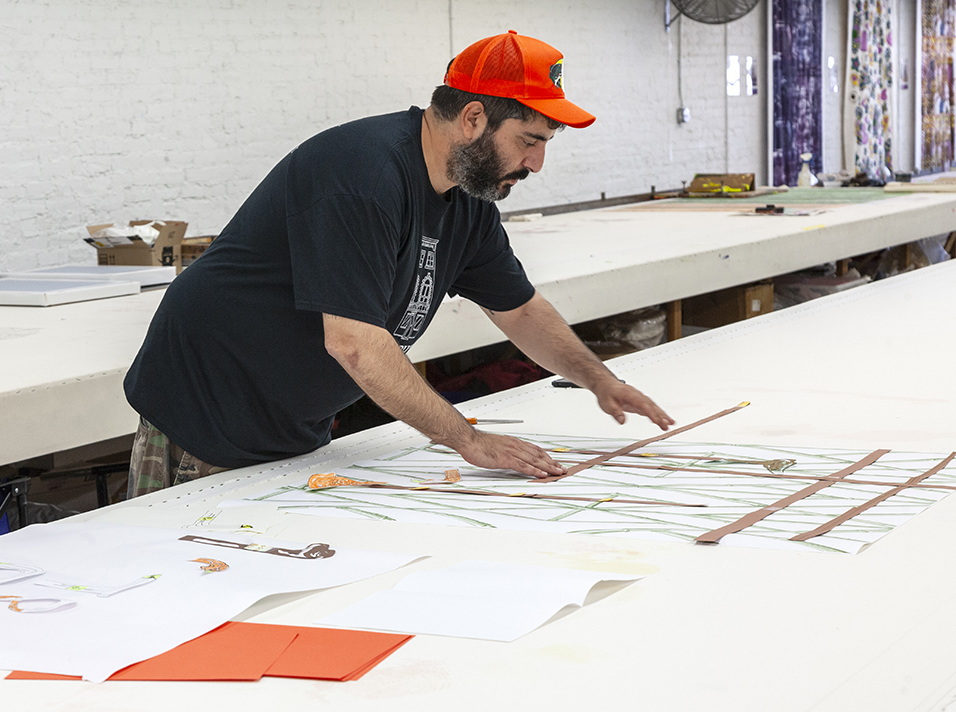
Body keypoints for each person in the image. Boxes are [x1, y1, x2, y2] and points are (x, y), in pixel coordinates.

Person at [124, 30, 673, 497]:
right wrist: (468, 440)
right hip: (207, 417)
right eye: (529, 140)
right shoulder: (362, 175)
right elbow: (354, 343)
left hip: (292, 424)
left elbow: (521, 311)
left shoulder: (467, 202)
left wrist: (597, 379)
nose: (537, 162)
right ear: (474, 118)